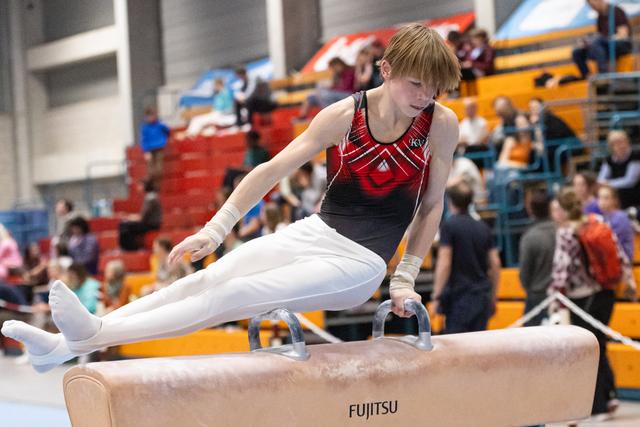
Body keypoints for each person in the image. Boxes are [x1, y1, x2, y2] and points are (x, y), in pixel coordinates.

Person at [1, 23, 461, 373]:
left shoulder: (440, 125)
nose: (424, 97)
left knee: (240, 293)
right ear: (386, 71)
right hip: (315, 232)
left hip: (361, 264)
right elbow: (269, 171)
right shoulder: (344, 115)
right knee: (205, 279)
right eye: (415, 84)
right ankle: (58, 350)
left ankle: (91, 334)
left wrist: (405, 278)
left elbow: (432, 205)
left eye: (434, 88)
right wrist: (216, 229)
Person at [549, 187, 636, 421]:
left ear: (565, 211)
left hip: (582, 298)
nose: (554, 214)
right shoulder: (596, 220)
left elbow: (561, 271)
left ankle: (599, 405)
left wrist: (553, 300)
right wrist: (629, 282)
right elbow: (620, 255)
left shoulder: (566, 232)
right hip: (605, 292)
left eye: (557, 209)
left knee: (590, 349)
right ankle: (611, 395)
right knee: (600, 343)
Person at [431, 182, 501, 333]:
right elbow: (495, 263)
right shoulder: (483, 227)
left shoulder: (449, 226)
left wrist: (436, 296)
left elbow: (445, 263)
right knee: (478, 348)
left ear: (450, 201)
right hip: (482, 295)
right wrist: (493, 296)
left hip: (460, 297)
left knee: (457, 348)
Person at [519, 189, 555, 326]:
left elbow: (524, 274)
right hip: (562, 297)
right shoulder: (562, 231)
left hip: (537, 297)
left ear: (530, 209)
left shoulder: (530, 237)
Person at [572, 0, 632, 80]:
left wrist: (604, 39)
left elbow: (623, 35)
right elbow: (600, 36)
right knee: (578, 51)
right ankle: (587, 77)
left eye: (593, 4)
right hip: (603, 46)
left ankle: (603, 76)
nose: (592, 7)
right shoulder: (600, 17)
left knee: (597, 41)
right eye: (590, 5)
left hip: (621, 45)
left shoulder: (616, 11)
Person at [598, 129, 640, 210]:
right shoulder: (608, 160)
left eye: (622, 142)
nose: (619, 145)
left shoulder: (636, 156)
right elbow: (601, 179)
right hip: (616, 197)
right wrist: (605, 184)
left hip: (634, 198)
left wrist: (609, 183)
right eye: (615, 143)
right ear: (611, 146)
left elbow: (630, 181)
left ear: (627, 142)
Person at [118, 179, 162, 251]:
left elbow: (143, 217)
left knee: (124, 226)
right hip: (149, 222)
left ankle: (130, 248)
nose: (139, 187)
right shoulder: (150, 196)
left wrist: (129, 218)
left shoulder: (151, 198)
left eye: (140, 185)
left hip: (151, 224)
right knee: (125, 224)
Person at [597, 184, 634, 261]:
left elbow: (611, 243)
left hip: (623, 262)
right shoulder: (603, 217)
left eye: (606, 198)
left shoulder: (620, 217)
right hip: (610, 262)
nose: (602, 201)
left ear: (615, 200)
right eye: (600, 197)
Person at [140, 106, 170, 185]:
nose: (150, 118)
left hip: (159, 147)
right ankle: (152, 184)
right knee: (151, 170)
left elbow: (167, 131)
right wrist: (146, 151)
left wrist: (164, 139)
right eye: (148, 116)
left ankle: (157, 185)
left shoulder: (159, 125)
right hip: (150, 149)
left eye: (152, 115)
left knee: (159, 168)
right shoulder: (145, 127)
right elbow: (144, 140)